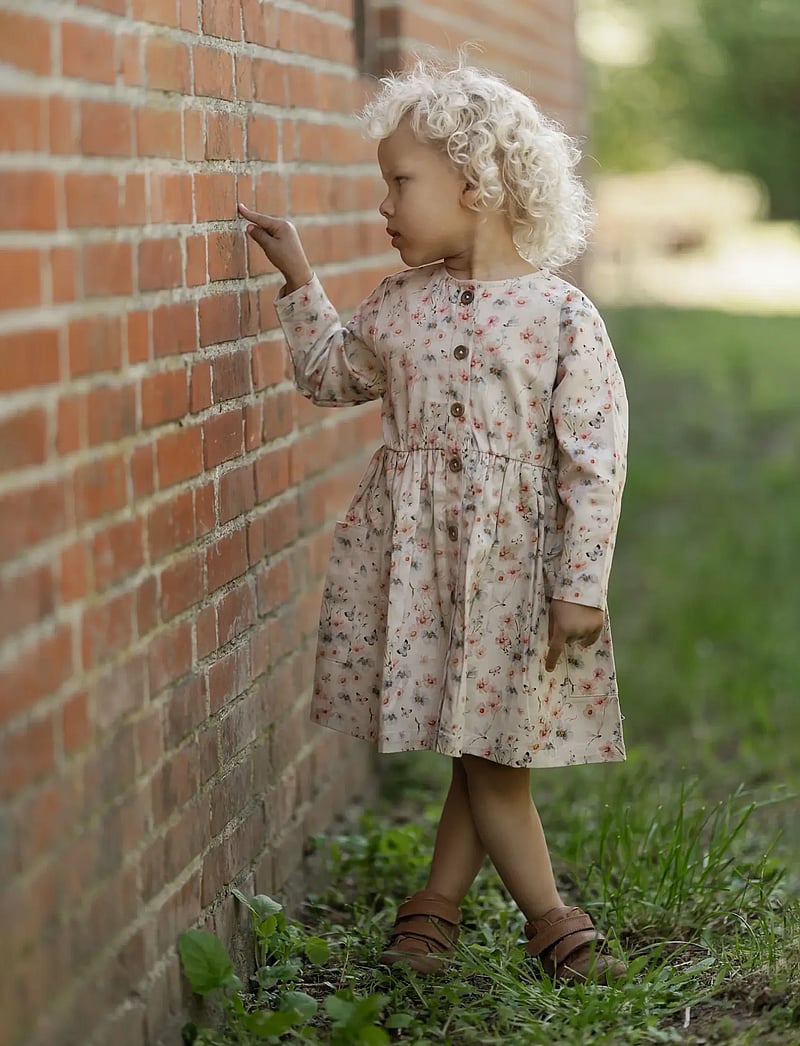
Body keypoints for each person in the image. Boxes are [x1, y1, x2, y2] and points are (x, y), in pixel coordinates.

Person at [239, 55, 628, 983]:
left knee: (492, 755)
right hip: (417, 560)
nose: (384, 206)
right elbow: (331, 375)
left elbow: (596, 457)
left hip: (513, 568)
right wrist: (299, 275)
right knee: (478, 736)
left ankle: (553, 926)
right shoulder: (400, 307)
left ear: (476, 183)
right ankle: (432, 915)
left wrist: (580, 583)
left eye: (399, 183)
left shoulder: (559, 315)